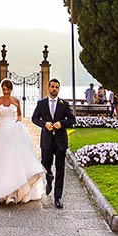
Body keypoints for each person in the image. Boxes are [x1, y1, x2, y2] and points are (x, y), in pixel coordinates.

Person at [31, 78, 76, 209]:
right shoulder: (41, 104)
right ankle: (49, 177)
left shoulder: (64, 104)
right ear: (48, 87)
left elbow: (72, 119)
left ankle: (58, 198)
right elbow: (34, 118)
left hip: (61, 141)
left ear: (58, 89)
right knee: (45, 164)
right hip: (47, 140)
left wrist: (61, 123)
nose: (54, 89)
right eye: (52, 86)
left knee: (61, 169)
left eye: (57, 87)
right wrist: (44, 124)